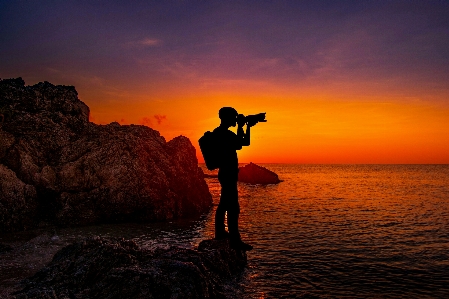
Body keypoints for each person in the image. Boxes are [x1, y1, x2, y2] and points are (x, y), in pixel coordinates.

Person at [213, 107, 253, 251]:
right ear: (227, 118)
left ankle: (220, 233)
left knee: (224, 204)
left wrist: (246, 127)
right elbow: (241, 144)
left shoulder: (221, 133)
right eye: (234, 117)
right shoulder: (224, 134)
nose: (235, 119)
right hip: (228, 174)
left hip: (226, 173)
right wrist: (243, 127)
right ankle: (235, 240)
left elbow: (244, 143)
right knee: (233, 207)